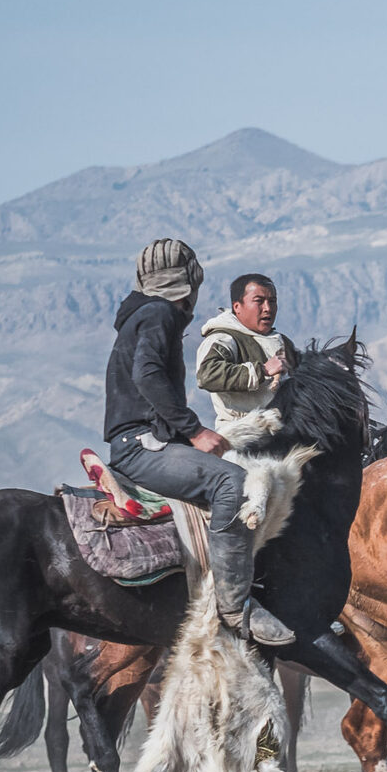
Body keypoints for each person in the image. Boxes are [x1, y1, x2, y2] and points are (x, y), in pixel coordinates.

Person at [102, 238, 294, 645]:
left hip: (146, 439)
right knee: (232, 482)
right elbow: (148, 375)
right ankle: (233, 607)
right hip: (143, 445)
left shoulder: (144, 314)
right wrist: (194, 431)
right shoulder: (159, 314)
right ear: (189, 284)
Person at [196, 272, 299, 425]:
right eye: (259, 301)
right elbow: (207, 375)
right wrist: (262, 370)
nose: (267, 308)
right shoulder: (223, 339)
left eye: (272, 301)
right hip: (242, 434)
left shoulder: (283, 341)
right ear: (237, 307)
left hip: (285, 430)